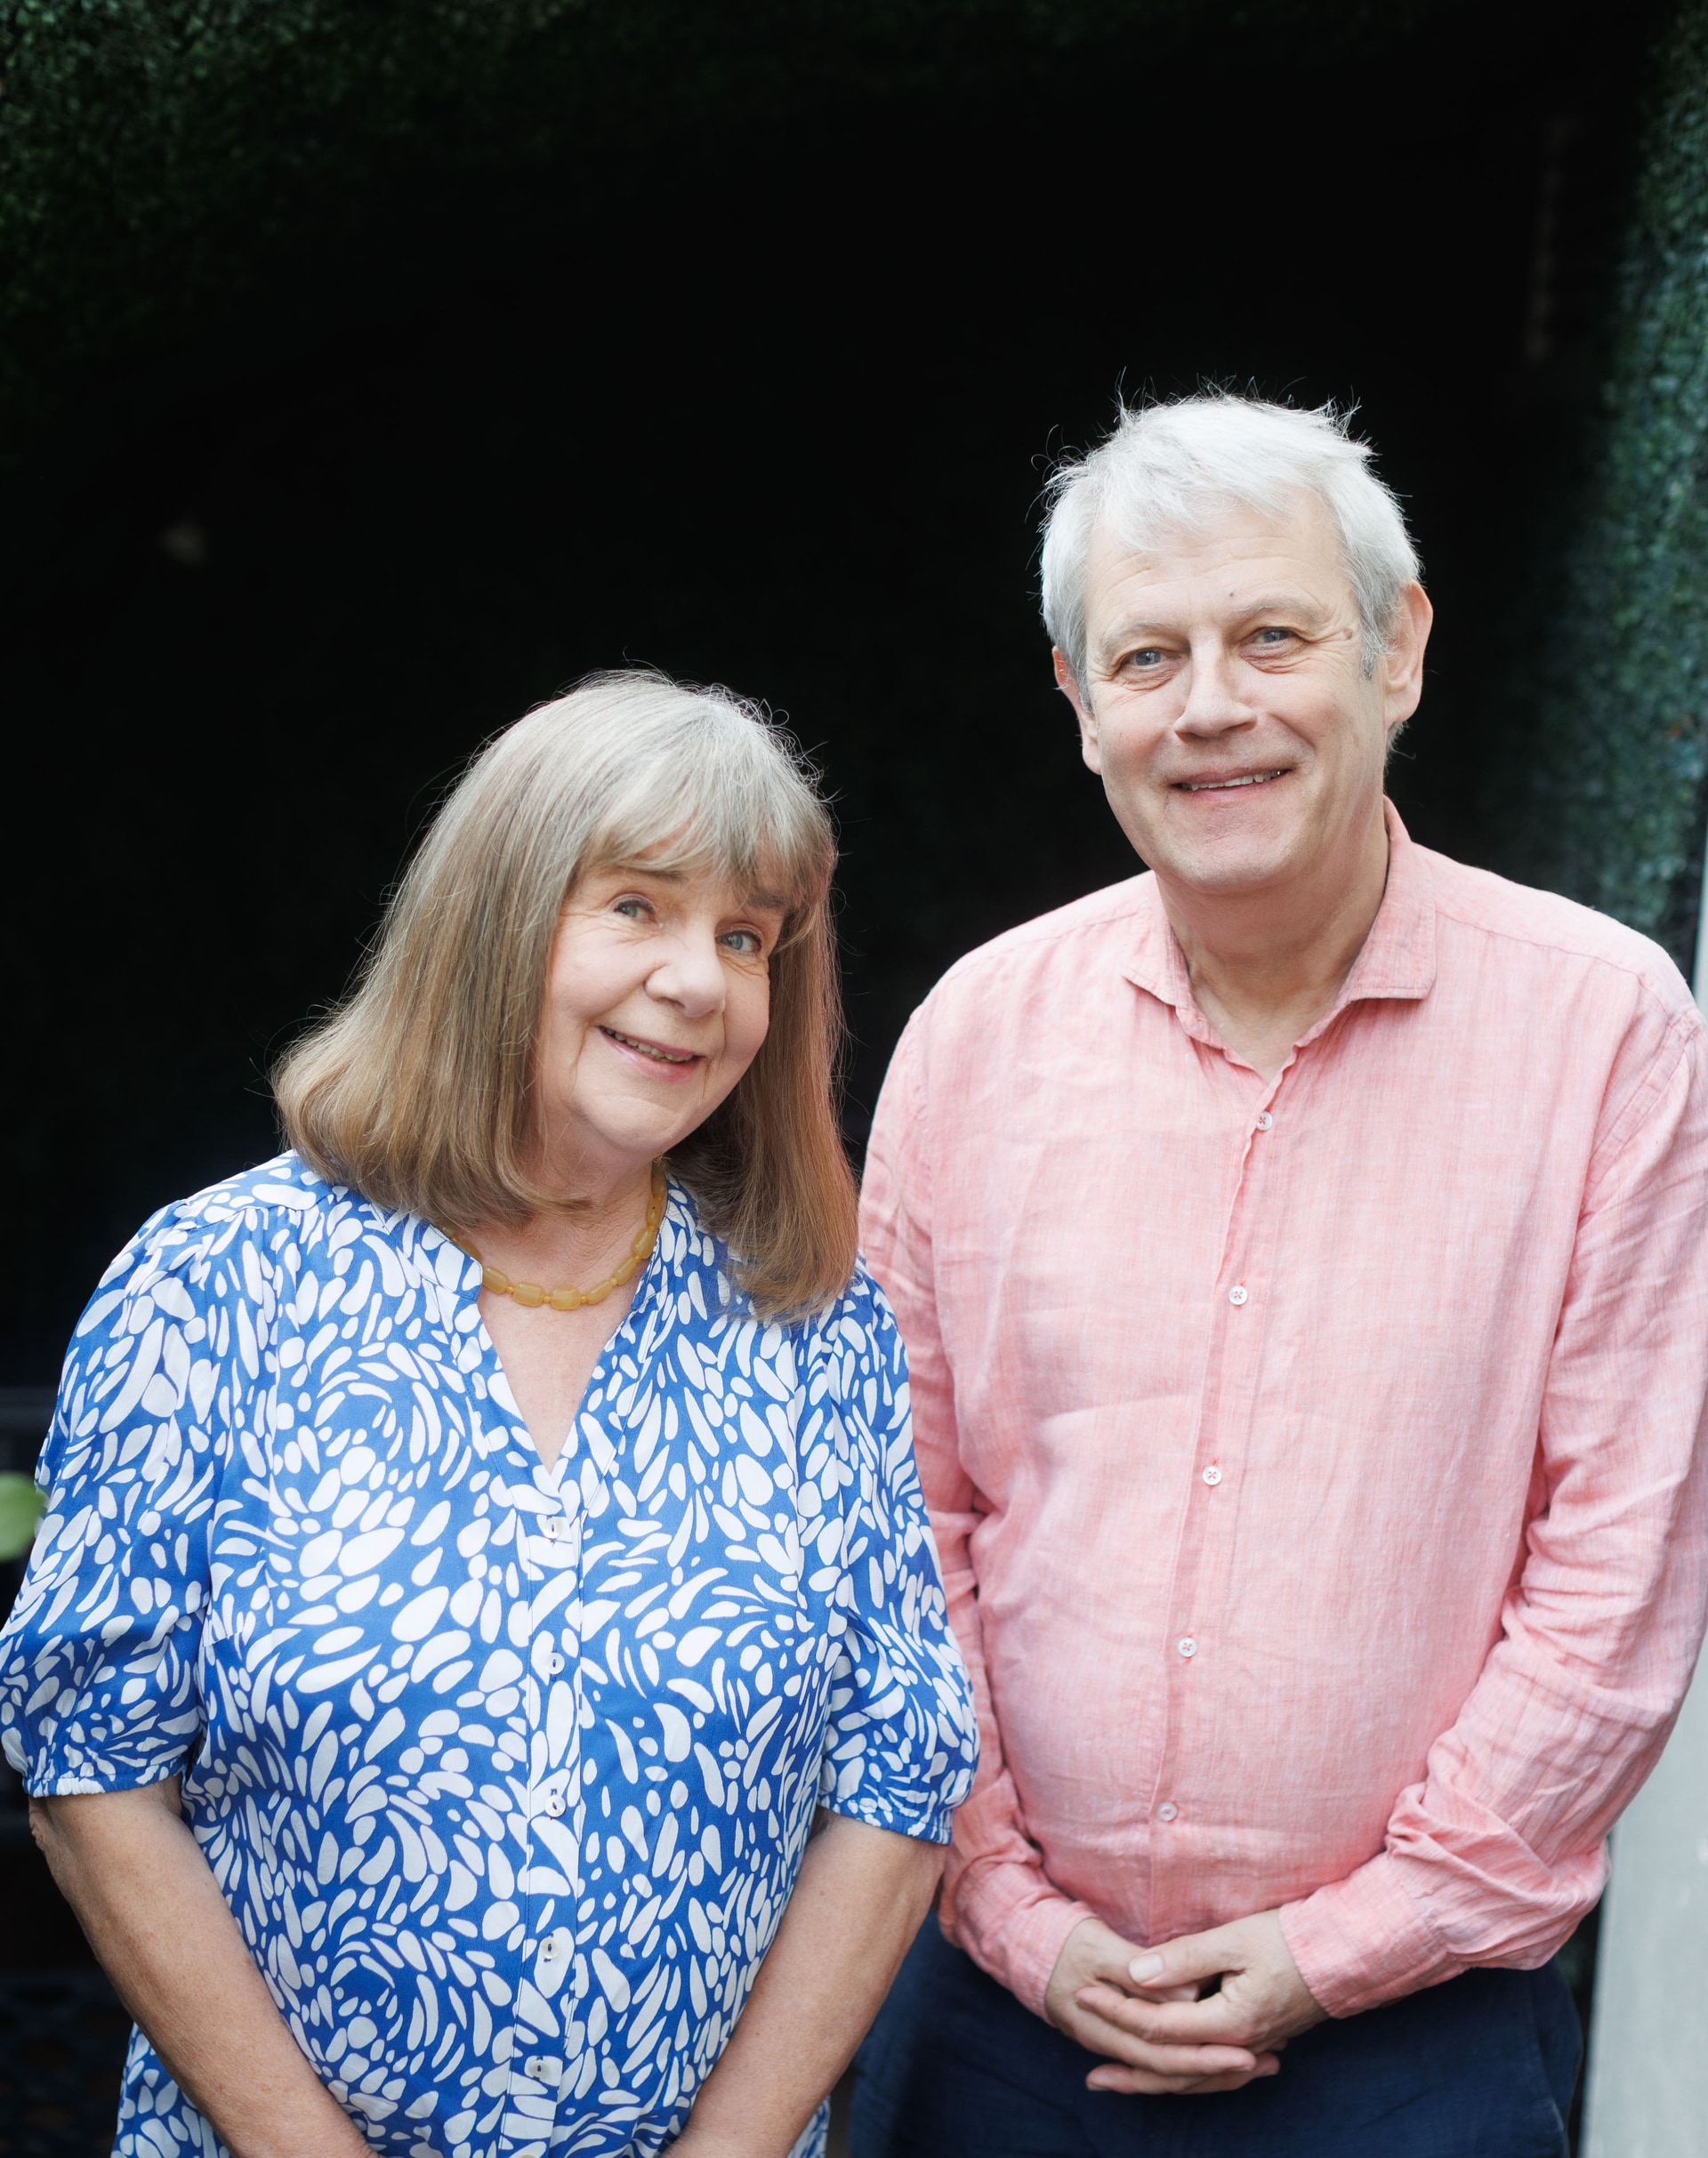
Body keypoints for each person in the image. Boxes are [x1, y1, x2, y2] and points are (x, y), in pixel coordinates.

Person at [851, 396, 1708, 2157]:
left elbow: (1619, 1561)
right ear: (1083, 706)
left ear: (1394, 652)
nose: (1211, 706)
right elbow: (886, 1520)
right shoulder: (972, 1037)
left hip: (1419, 2055)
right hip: (1004, 2033)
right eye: (1147, 655)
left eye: (1271, 636)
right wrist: (1016, 1912)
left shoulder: (1606, 1030)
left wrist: (1345, 1948)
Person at [0, 672, 977, 2158]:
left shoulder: (813, 1324)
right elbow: (91, 1765)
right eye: (637, 908)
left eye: (744, 937)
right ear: (495, 920)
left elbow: (895, 1781)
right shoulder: (213, 1287)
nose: (701, 979)